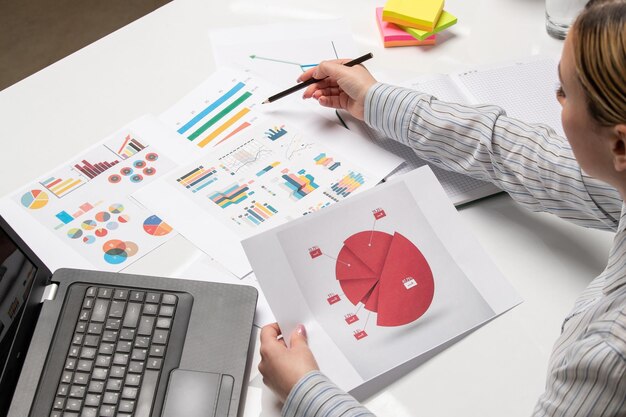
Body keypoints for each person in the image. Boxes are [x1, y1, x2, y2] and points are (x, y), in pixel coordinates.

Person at [258, 0, 626, 416]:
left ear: (618, 144)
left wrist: (307, 393)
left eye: (564, 92)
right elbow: (527, 157)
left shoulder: (610, 353)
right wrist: (376, 101)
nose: (554, 101)